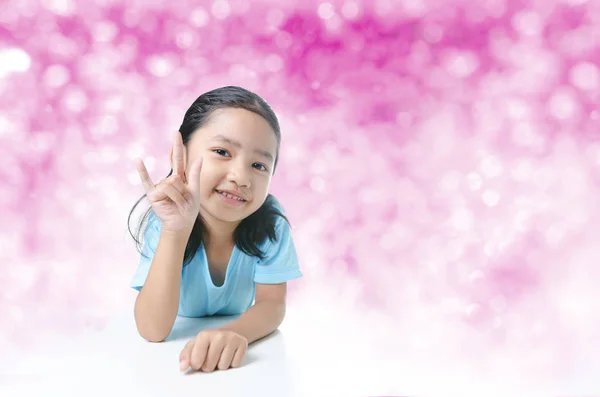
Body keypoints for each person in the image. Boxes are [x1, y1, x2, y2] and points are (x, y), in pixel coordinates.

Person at [127, 86, 302, 373]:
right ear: (178, 154)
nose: (241, 177)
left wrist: (235, 333)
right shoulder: (166, 217)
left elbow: (272, 304)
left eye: (259, 165)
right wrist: (175, 231)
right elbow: (152, 329)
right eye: (222, 152)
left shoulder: (270, 222)